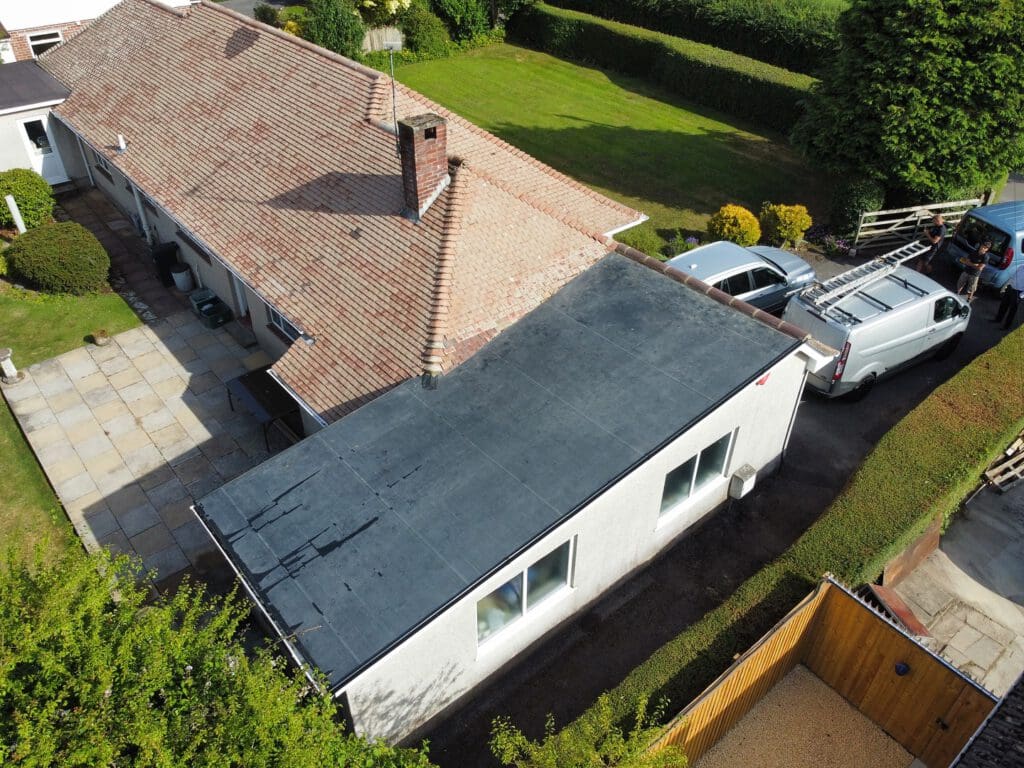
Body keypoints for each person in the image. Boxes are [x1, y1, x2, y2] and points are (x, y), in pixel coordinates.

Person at [994, 262, 1024, 330]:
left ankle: (1006, 326)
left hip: (1018, 293)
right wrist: (1008, 285)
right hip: (1010, 288)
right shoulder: (1021, 266)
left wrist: (1021, 295)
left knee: (1012, 311)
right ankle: (998, 319)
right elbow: (1014, 276)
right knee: (1003, 305)